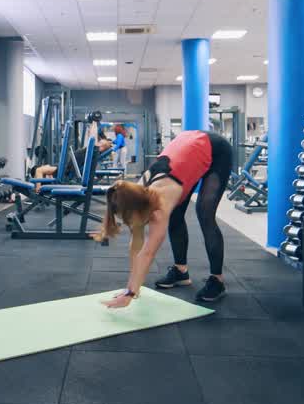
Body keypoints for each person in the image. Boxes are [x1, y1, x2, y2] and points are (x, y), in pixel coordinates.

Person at [95, 129, 234, 307]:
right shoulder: (133, 194)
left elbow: (148, 252)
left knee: (204, 212)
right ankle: (181, 272)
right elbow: (136, 244)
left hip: (215, 150)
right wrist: (132, 286)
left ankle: (217, 280)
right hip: (187, 148)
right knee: (176, 214)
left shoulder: (160, 205)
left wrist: (130, 294)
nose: (129, 223)